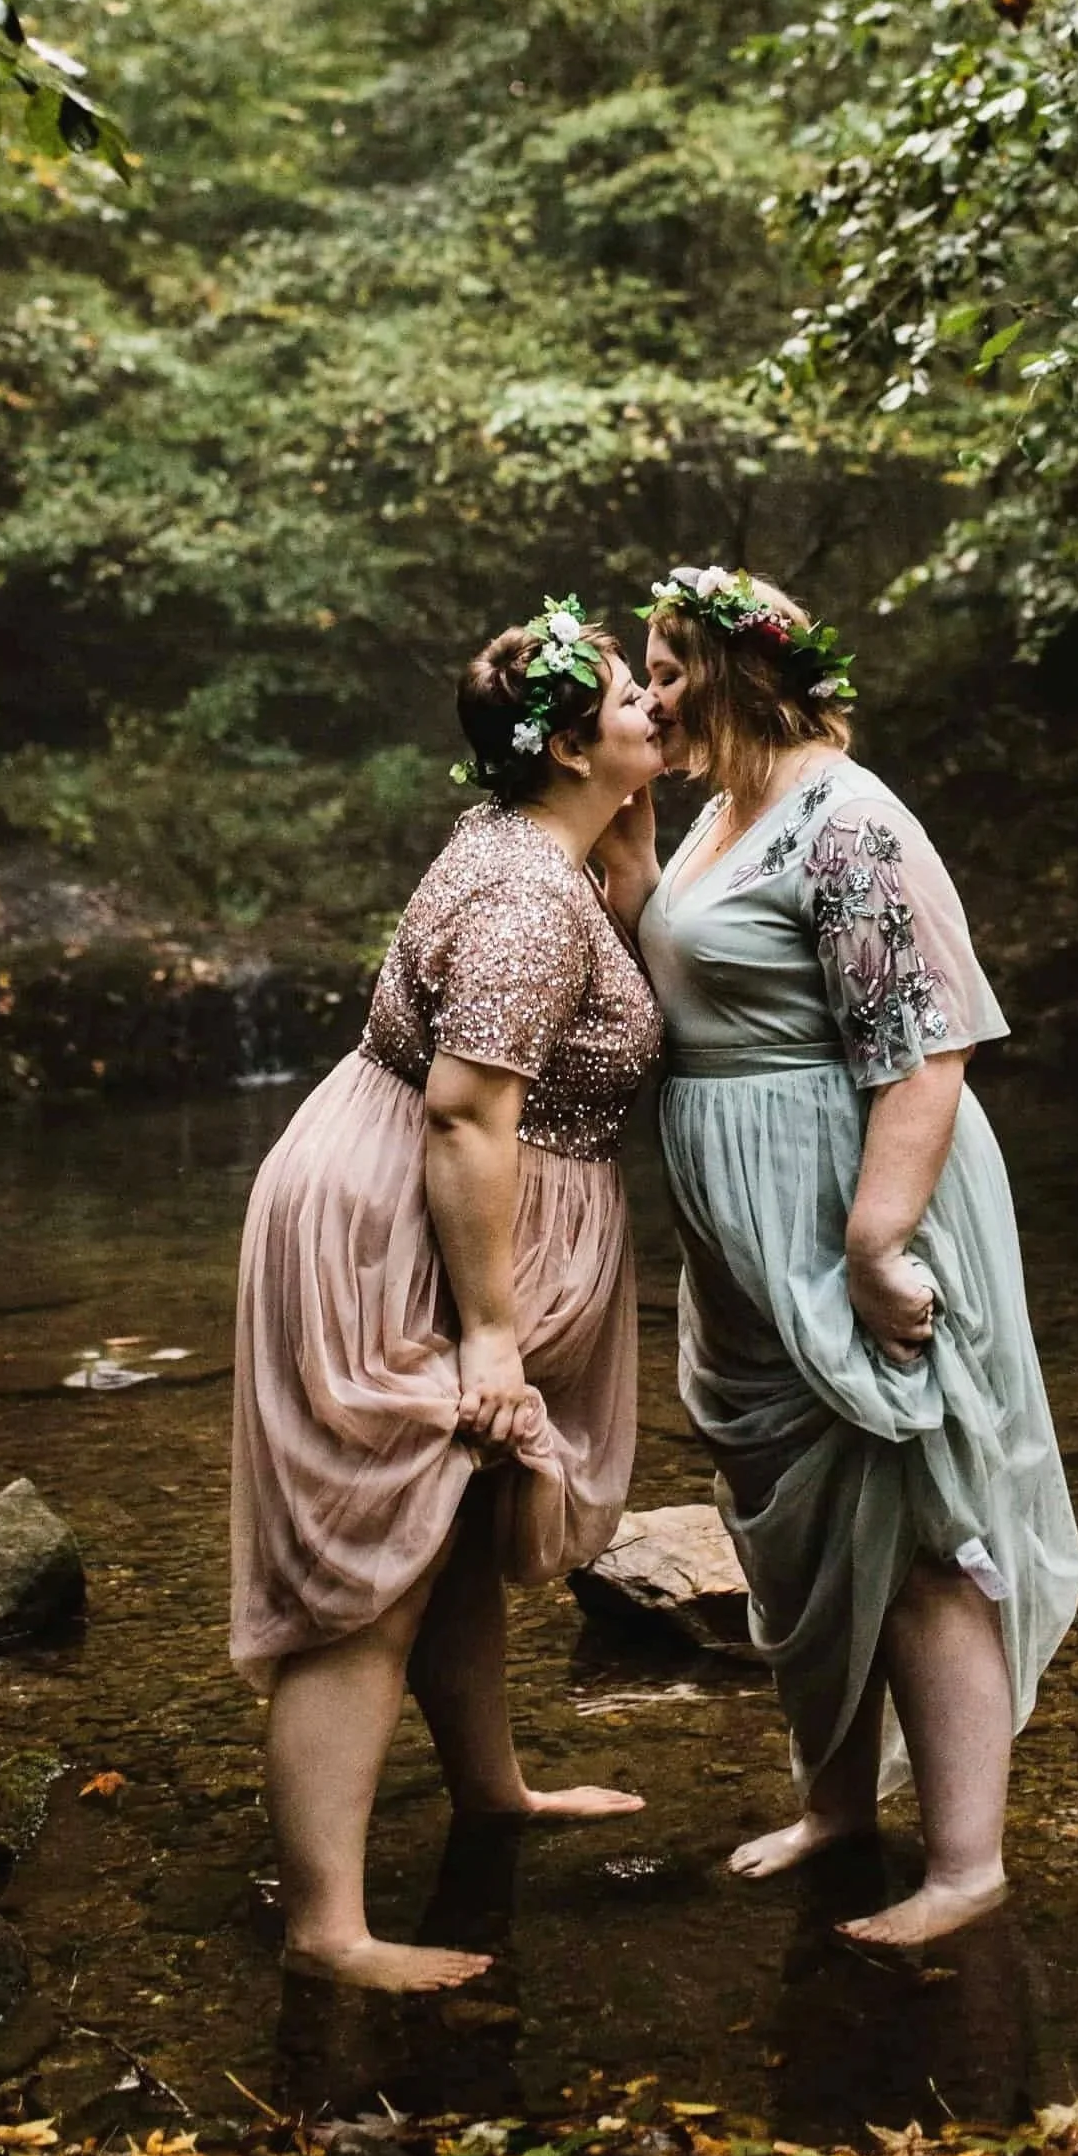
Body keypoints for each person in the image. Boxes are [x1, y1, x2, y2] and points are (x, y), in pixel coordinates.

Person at [624, 566, 1078, 1948]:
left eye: (665, 663)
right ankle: (837, 1809)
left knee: (920, 1516)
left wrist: (878, 1242)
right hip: (743, 1229)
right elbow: (688, 967)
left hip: (849, 1200)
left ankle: (964, 1867)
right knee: (796, 1525)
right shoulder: (723, 813)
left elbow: (928, 1048)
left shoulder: (852, 817)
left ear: (733, 667)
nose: (648, 691)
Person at [230, 597, 665, 1992]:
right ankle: (328, 1932)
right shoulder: (532, 899)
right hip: (406, 1224)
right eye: (624, 699)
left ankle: (495, 1794)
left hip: (429, 1202)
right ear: (562, 746)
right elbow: (471, 1114)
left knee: (456, 1523)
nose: (654, 705)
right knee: (373, 1566)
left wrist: (632, 864)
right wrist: (490, 1331)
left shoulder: (543, 850)